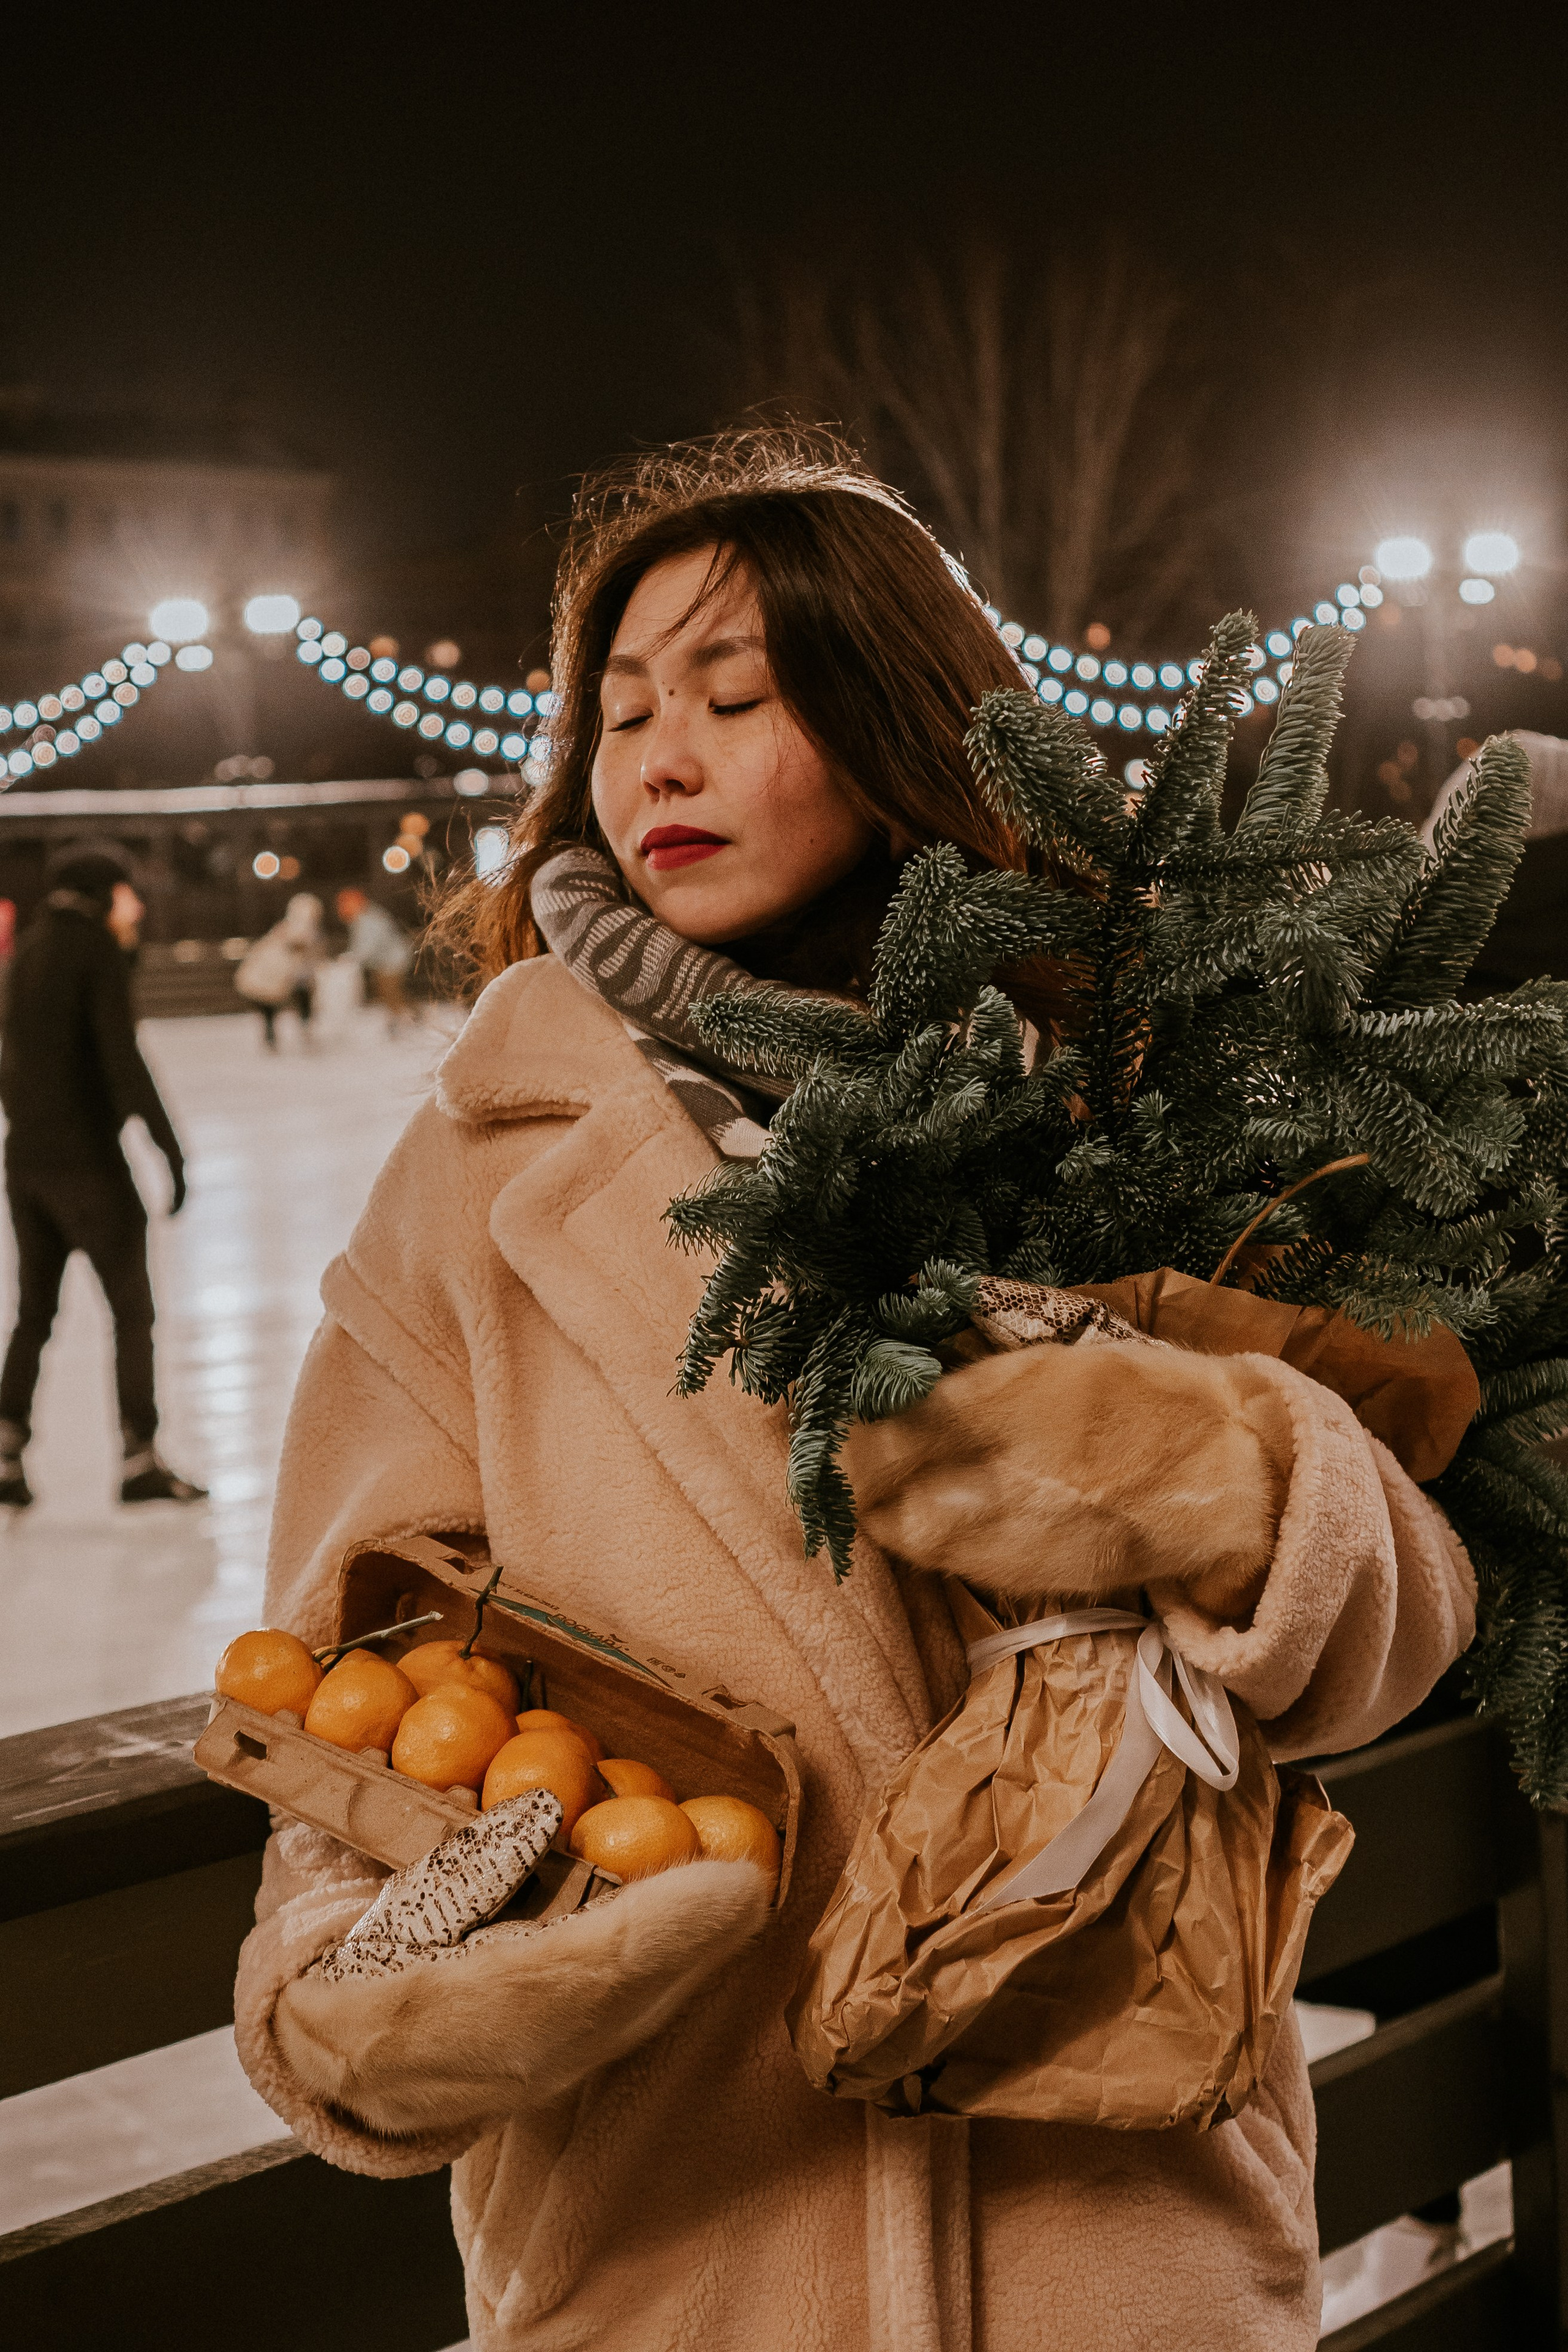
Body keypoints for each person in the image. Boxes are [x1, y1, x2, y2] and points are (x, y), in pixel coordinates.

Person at [233, 432, 1473, 2352]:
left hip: (1116, 2240)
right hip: (675, 2240)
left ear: (904, 726)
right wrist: (370, 1985)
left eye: (735, 696)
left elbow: (1391, 1627)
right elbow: (346, 1668)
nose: (656, 756)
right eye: (624, 707)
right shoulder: (485, 1176)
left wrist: (1229, 1476)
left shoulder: (1126, 1101)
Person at [0, 845, 207, 1507]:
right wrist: (169, 1150)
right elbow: (123, 1060)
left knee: (35, 1313)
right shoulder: (94, 951)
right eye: (127, 894)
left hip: (26, 1163)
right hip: (88, 1164)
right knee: (132, 1311)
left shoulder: (26, 952)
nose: (137, 908)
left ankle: (4, 1450)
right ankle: (139, 1458)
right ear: (100, 896)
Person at [236, 891, 326, 1048]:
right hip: (281, 974)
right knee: (278, 1000)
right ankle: (285, 1030)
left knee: (298, 998)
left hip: (292, 975)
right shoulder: (288, 929)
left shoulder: (290, 928)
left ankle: (297, 1029)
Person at [334, 886, 413, 1028]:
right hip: (388, 960)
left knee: (390, 990)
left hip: (392, 960)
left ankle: (405, 1019)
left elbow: (369, 946)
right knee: (389, 990)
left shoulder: (368, 920)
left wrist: (352, 957)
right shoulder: (366, 917)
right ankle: (403, 1017)